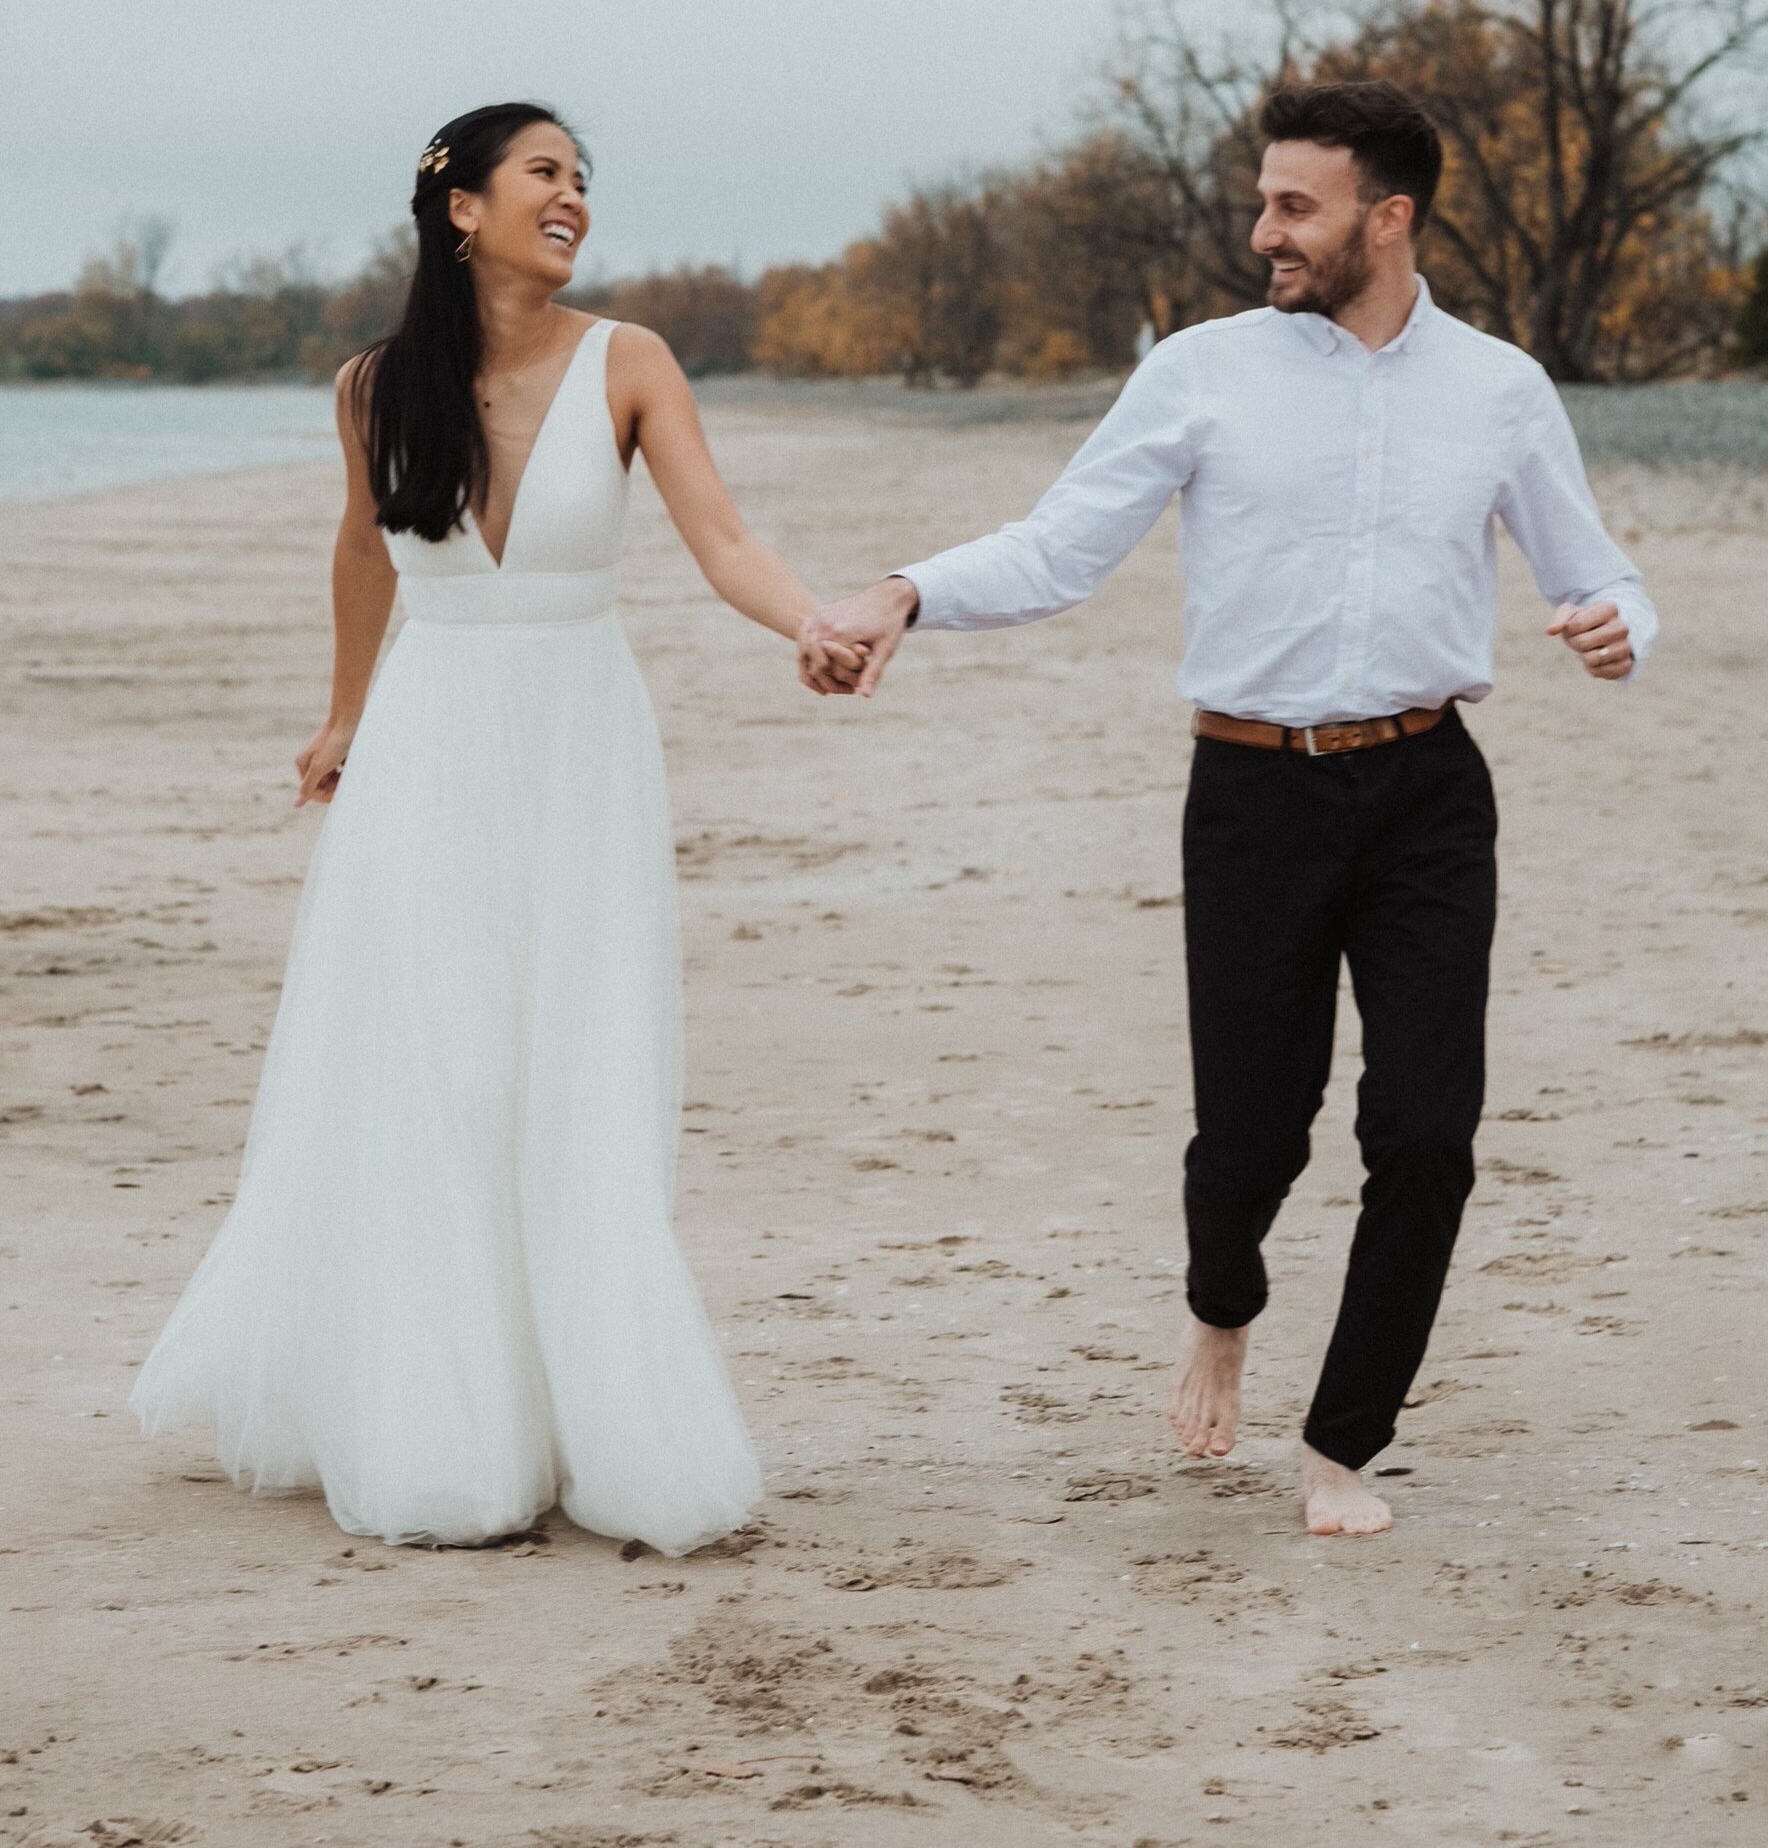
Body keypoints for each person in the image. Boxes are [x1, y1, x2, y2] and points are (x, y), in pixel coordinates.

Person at [797, 79, 1655, 1538]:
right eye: (1262, 200)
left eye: (1293, 205)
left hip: (1428, 790)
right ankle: (1221, 1303)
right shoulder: (1201, 371)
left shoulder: (1498, 389)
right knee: (1252, 1130)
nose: (1262, 229)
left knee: (1427, 1130)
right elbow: (1062, 547)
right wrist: (906, 591)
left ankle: (1343, 1441)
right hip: (1250, 790)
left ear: (1386, 219)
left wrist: (1622, 622)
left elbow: (1594, 568)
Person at [133, 102, 856, 1552]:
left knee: (578, 1067)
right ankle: (449, 1424)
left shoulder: (630, 361)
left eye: (583, 179)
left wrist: (811, 620)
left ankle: (602, 1424)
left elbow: (721, 537)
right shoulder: (375, 386)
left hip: (582, 741)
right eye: (544, 173)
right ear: (461, 206)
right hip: (432, 745)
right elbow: (363, 552)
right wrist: (342, 717)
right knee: (442, 1069)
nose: (572, 196)